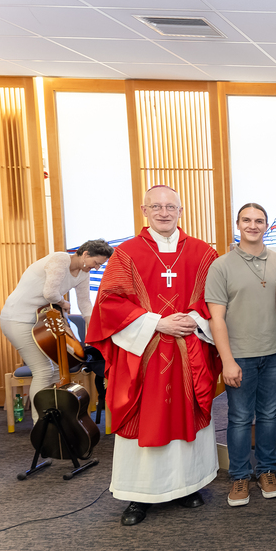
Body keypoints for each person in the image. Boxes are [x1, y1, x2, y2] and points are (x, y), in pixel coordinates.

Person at [88, 185, 222, 526]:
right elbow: (109, 302)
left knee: (186, 412)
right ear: (144, 210)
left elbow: (218, 298)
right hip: (144, 352)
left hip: (189, 348)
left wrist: (193, 320)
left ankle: (187, 485)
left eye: (170, 207)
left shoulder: (203, 253)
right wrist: (157, 323)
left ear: (180, 211)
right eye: (156, 206)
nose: (164, 212)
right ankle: (139, 495)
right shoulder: (126, 254)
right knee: (146, 416)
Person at [206, 203, 276, 507]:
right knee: (239, 418)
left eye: (259, 220)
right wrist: (227, 360)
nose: (253, 225)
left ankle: (266, 471)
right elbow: (216, 318)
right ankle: (239, 476)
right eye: (247, 220)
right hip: (239, 356)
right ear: (238, 224)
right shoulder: (221, 265)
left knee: (269, 415)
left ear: (266, 225)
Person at [0, 239, 112, 420]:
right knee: (44, 370)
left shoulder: (84, 273)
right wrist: (63, 302)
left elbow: (85, 304)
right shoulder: (60, 259)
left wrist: (94, 331)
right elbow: (50, 293)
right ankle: (40, 423)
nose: (97, 268)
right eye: (96, 263)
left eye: (100, 265)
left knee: (53, 371)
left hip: (40, 321)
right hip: (17, 318)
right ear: (85, 254)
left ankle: (51, 421)